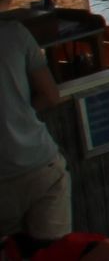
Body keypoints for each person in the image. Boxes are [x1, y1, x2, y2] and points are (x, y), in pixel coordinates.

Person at [0, 17, 69, 247]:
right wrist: (17, 111)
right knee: (54, 257)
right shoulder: (14, 32)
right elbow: (50, 96)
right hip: (39, 165)